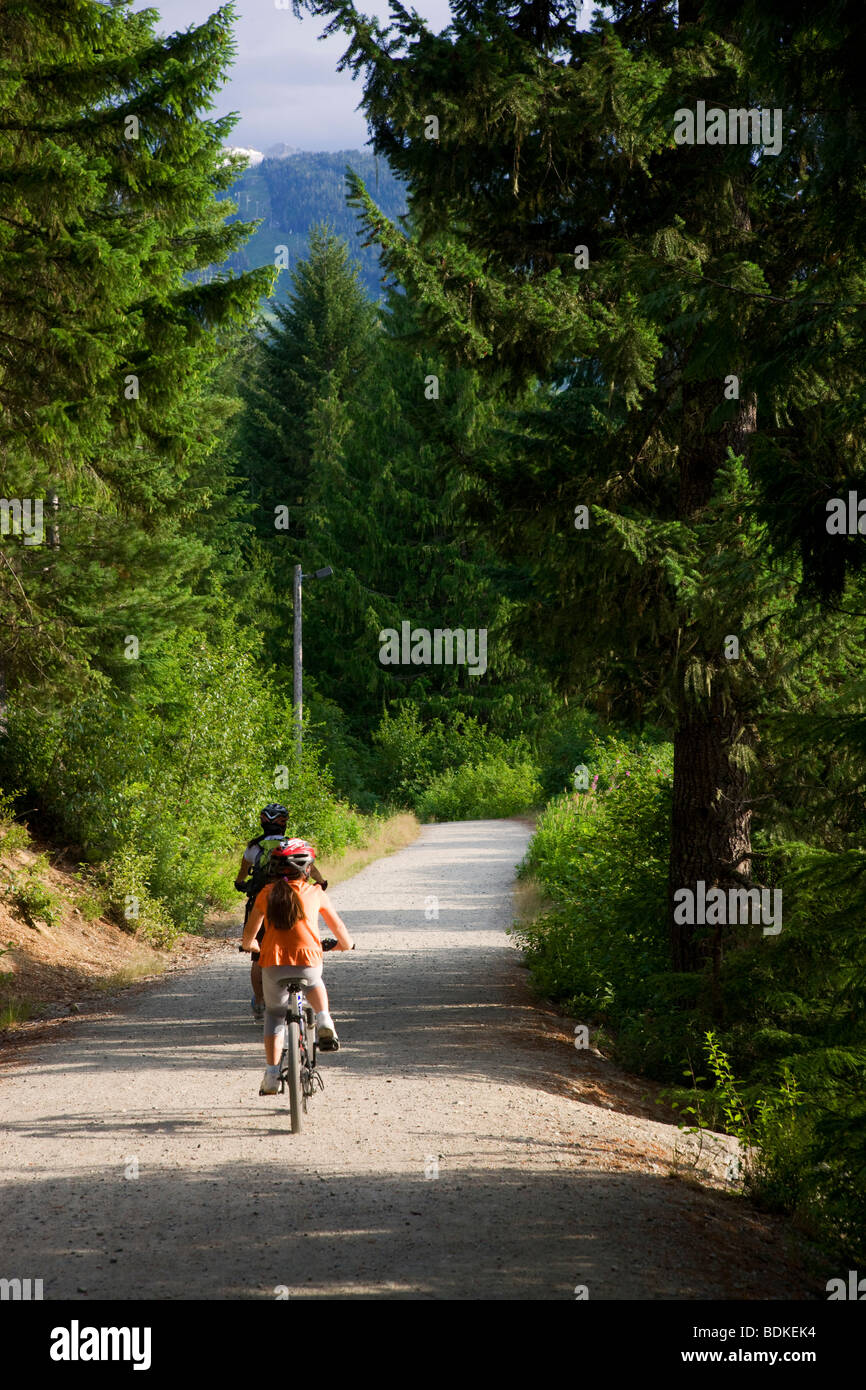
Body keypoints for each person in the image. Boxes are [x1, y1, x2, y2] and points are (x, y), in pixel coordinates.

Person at [240, 837, 354, 1096]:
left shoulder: (264, 894)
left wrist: (253, 947)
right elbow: (342, 935)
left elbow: (249, 938)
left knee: (275, 1014)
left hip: (273, 963)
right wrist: (341, 946)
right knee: (314, 982)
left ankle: (271, 1074)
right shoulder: (316, 893)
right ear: (306, 869)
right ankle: (324, 1018)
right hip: (308, 961)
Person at [234, 804, 327, 1022]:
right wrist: (321, 882)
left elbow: (242, 874)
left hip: (261, 902)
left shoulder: (253, 847)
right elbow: (309, 867)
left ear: (262, 822)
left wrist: (240, 883)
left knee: (258, 956)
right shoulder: (292, 845)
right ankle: (302, 997)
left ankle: (259, 1002)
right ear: (285, 823)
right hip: (290, 903)